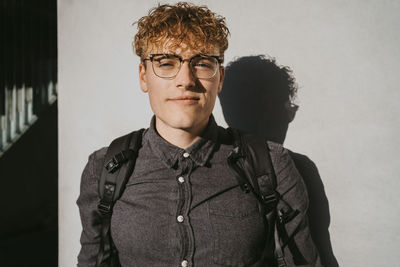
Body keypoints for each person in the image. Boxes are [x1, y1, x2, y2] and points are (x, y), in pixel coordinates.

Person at [77, 2, 322, 267]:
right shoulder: (106, 169)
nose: (186, 79)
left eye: (202, 64)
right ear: (143, 77)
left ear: (220, 79)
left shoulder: (272, 164)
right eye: (166, 63)